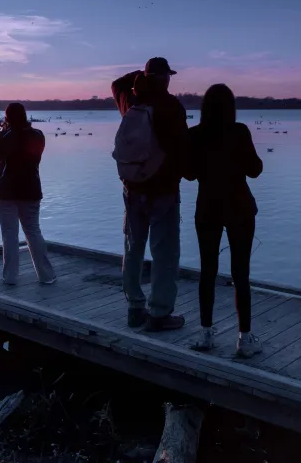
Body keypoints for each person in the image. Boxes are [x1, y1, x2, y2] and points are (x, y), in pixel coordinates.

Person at [184, 84, 264, 357]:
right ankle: (245, 338)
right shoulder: (239, 132)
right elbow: (255, 170)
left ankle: (206, 334)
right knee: (241, 274)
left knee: (207, 271)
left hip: (207, 208)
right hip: (239, 208)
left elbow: (189, 173)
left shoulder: (195, 134)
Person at [112, 57, 189, 331]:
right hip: (163, 190)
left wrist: (140, 76)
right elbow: (181, 149)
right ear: (166, 77)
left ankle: (135, 308)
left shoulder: (131, 103)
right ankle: (159, 313)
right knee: (164, 253)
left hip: (132, 189)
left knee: (133, 249)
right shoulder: (170, 107)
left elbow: (116, 84)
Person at [0, 103, 56, 285]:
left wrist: (0, 134)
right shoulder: (37, 135)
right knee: (33, 231)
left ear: (7, 118)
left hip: (4, 191)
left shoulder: (5, 136)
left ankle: (10, 277)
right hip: (30, 189)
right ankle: (46, 275)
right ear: (25, 116)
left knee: (9, 234)